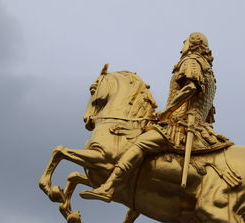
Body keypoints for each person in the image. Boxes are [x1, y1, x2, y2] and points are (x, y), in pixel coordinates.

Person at [80, 32, 233, 203]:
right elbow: (209, 113)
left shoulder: (191, 62)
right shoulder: (209, 72)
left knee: (139, 145)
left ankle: (108, 188)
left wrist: (167, 111)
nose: (182, 45)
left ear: (192, 44)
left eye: (185, 42)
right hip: (200, 129)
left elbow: (190, 88)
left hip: (179, 125)